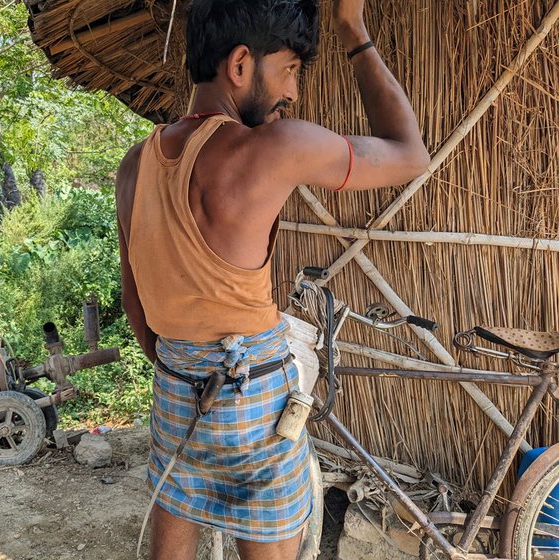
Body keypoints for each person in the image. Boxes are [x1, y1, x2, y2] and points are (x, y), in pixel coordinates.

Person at [115, 0, 430, 558]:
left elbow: (134, 297)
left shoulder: (136, 165)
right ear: (240, 65)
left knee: (173, 524)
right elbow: (410, 154)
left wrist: (178, 366)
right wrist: (352, 29)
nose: (293, 92)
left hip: (173, 389)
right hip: (253, 391)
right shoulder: (276, 149)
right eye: (289, 70)